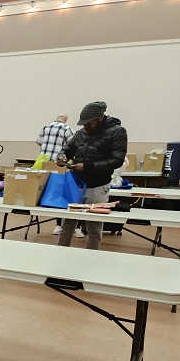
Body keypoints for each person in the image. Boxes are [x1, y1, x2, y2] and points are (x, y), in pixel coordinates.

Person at [56, 101, 127, 250]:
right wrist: (62, 156)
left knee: (94, 229)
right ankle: (60, 255)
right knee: (66, 226)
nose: (85, 127)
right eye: (84, 124)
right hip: (76, 184)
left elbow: (117, 161)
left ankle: (91, 258)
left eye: (89, 123)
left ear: (99, 119)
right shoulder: (82, 132)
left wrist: (88, 167)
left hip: (98, 186)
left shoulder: (117, 132)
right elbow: (68, 149)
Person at [36, 113, 80, 237]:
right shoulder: (66, 129)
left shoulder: (46, 127)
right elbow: (73, 145)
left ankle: (58, 225)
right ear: (66, 120)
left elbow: (39, 142)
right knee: (61, 192)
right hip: (58, 163)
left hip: (44, 163)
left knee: (48, 191)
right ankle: (62, 225)